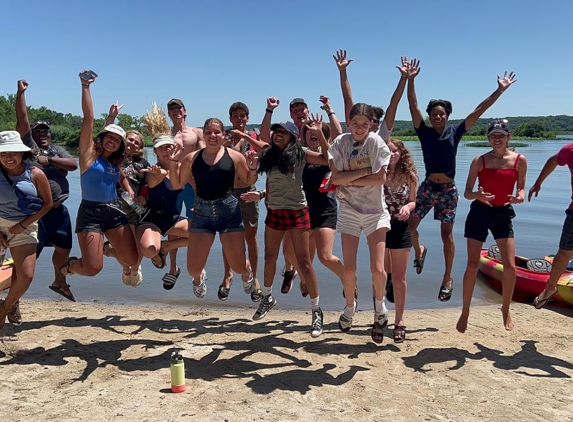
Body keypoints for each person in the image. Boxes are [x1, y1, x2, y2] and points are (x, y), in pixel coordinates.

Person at [406, 59, 517, 302]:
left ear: (447, 116)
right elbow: (413, 106)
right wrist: (410, 80)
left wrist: (499, 90)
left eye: (441, 114)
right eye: (434, 113)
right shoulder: (423, 132)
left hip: (447, 190)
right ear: (430, 116)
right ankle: (419, 250)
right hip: (427, 188)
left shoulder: (455, 131)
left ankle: (447, 279)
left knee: (447, 235)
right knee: (408, 228)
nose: (437, 116)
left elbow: (479, 110)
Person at [334, 50, 411, 303]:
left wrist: (404, 80)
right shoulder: (351, 134)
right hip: (354, 203)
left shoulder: (381, 139)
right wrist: (343, 72)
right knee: (360, 262)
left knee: (382, 260)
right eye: (363, 121)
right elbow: (349, 102)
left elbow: (393, 105)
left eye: (372, 122)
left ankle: (384, 293)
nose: (369, 125)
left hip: (380, 198)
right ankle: (359, 296)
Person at [246, 113, 329, 338]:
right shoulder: (269, 155)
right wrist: (254, 171)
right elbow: (261, 180)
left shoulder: (301, 154)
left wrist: (319, 133)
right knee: (269, 257)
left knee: (304, 262)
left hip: (298, 211)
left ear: (292, 136)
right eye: (276, 131)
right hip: (275, 211)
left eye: (283, 132)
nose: (277, 134)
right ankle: (267, 297)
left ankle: (316, 310)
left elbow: (328, 159)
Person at [59, 71, 139, 280]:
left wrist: (132, 197)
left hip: (114, 211)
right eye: (108, 137)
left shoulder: (114, 163)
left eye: (116, 139)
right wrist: (86, 87)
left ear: (120, 145)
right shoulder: (88, 156)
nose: (111, 141)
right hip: (90, 214)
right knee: (93, 269)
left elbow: (121, 179)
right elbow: (89, 118)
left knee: (133, 260)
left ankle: (106, 248)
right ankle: (70, 266)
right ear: (101, 139)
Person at [169, 117, 258, 301]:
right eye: (208, 132)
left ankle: (247, 273)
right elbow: (177, 183)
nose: (212, 135)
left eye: (217, 132)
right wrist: (172, 163)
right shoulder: (191, 158)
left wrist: (253, 167)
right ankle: (200, 276)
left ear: (223, 134)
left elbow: (249, 180)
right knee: (192, 268)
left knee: (239, 266)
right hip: (202, 211)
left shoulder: (234, 156)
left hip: (229, 211)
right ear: (203, 134)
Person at [329, 103, 391, 344]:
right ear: (349, 123)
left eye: (365, 124)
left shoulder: (376, 142)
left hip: (376, 211)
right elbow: (336, 177)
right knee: (350, 268)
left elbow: (382, 178)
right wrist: (364, 172)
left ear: (371, 124)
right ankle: (350, 306)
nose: (360, 128)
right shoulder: (340, 143)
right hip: (349, 209)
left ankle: (379, 304)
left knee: (377, 268)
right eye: (356, 124)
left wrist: (350, 179)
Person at [456, 120, 526, 333]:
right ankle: (465, 310)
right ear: (488, 138)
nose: (497, 138)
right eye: (493, 135)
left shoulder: (519, 161)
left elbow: (522, 189)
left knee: (510, 266)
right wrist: (477, 194)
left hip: (503, 213)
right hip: (480, 211)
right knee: (471, 264)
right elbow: (467, 192)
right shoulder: (480, 160)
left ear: (508, 137)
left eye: (501, 135)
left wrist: (520, 197)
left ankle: (506, 308)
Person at [15, 79, 78, 301]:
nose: (43, 133)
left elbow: (73, 164)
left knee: (63, 249)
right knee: (28, 258)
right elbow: (22, 120)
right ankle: (14, 300)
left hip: (59, 211)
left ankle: (59, 282)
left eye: (46, 130)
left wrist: (49, 159)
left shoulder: (56, 150)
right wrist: (20, 93)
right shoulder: (28, 148)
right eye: (38, 130)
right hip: (37, 213)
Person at [0, 130, 53, 331]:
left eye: (13, 152)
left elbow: (47, 204)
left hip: (25, 224)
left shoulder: (35, 173)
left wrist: (22, 225)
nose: (8, 157)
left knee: (26, 275)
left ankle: (4, 307)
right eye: (3, 153)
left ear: (22, 153)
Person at [260, 97, 311, 293]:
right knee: (287, 249)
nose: (299, 112)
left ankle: (302, 276)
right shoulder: (284, 132)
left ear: (308, 110)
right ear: (291, 114)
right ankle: (292, 271)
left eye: (302, 108)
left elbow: (330, 154)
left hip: (309, 194)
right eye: (295, 109)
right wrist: (269, 110)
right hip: (285, 198)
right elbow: (267, 141)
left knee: (307, 251)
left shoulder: (313, 130)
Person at [218, 102, 264, 302]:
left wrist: (245, 138)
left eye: (242, 115)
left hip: (248, 191)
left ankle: (255, 279)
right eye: (235, 115)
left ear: (247, 118)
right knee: (226, 237)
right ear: (230, 118)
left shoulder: (253, 137)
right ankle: (227, 275)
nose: (239, 118)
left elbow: (265, 151)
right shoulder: (222, 137)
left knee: (251, 235)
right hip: (227, 192)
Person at [102, 103, 151, 286]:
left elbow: (147, 185)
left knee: (135, 246)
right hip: (112, 203)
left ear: (140, 147)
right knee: (121, 244)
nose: (132, 143)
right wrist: (111, 117)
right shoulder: (112, 156)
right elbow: (101, 139)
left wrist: (144, 196)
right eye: (129, 139)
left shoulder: (142, 162)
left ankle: (133, 266)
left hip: (133, 205)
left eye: (136, 142)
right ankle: (124, 265)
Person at [136, 135, 189, 286]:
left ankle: (166, 246)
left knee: (203, 236)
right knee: (150, 251)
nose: (165, 151)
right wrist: (160, 172)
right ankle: (151, 244)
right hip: (151, 219)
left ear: (175, 148)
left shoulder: (182, 169)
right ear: (155, 151)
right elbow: (157, 179)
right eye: (161, 148)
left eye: (168, 147)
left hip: (172, 219)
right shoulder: (153, 170)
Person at [165, 98, 205, 287]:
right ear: (168, 113)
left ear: (185, 110)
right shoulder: (165, 133)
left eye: (178, 108)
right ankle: (173, 267)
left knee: (196, 226)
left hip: (191, 184)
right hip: (172, 183)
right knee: (172, 223)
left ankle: (197, 269)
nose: (176, 111)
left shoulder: (196, 132)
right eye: (172, 109)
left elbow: (206, 156)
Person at [529, 142, 573, 309]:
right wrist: (538, 182)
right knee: (564, 254)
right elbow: (553, 160)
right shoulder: (569, 150)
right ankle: (550, 288)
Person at [383, 139, 418, 342]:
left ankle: (399, 321)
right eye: (387, 151)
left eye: (394, 151)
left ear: (401, 153)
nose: (391, 154)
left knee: (399, 278)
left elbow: (413, 200)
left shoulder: (410, 176)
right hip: (380, 226)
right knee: (380, 273)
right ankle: (380, 315)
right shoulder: (378, 172)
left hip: (400, 226)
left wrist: (408, 207)